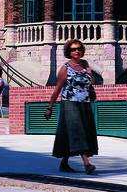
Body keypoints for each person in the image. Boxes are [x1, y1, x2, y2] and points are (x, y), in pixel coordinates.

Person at [44, 39, 98, 174]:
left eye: (79, 48)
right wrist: (49, 107)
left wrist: (91, 75)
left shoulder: (86, 66)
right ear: (69, 52)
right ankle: (87, 164)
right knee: (78, 132)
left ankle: (64, 163)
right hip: (69, 103)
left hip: (84, 104)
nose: (77, 51)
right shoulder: (65, 68)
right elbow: (57, 89)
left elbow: (90, 83)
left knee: (74, 133)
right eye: (73, 49)